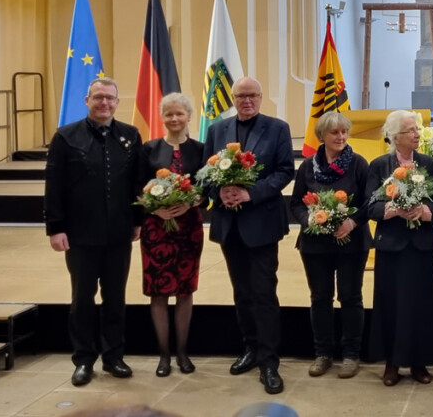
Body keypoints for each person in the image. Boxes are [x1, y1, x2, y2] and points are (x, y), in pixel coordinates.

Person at [44, 77, 142, 386]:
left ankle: (114, 357)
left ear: (117, 102)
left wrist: (137, 220)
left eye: (109, 98)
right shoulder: (65, 137)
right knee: (82, 299)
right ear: (87, 101)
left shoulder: (130, 136)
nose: (103, 103)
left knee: (115, 298)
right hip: (80, 235)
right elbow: (53, 187)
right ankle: (83, 359)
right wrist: (55, 228)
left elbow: (137, 183)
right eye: (97, 97)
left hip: (119, 234)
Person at [202, 77, 295, 395]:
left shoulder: (278, 127)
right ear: (233, 97)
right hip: (229, 224)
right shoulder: (217, 130)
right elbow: (206, 172)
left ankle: (270, 361)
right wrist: (222, 191)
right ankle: (250, 349)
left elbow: (285, 171)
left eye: (252, 95)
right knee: (241, 292)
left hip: (262, 223)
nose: (247, 100)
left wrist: (249, 193)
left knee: (264, 293)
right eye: (241, 95)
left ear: (260, 97)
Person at [366, 110, 433, 387]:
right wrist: (395, 209)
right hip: (391, 246)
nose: (417, 135)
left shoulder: (429, 164)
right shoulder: (379, 166)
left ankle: (420, 362)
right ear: (396, 137)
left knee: (422, 304)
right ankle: (391, 362)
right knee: (392, 304)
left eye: (417, 130)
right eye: (411, 131)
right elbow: (369, 206)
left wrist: (424, 210)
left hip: (422, 244)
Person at [289, 112, 371, 380]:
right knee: (320, 298)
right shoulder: (308, 166)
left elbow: (369, 202)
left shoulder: (358, 163)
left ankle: (350, 355)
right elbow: (297, 203)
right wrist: (309, 219)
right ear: (321, 136)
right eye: (335, 132)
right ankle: (322, 353)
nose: (341, 137)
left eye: (344, 132)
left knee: (350, 297)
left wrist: (351, 223)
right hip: (315, 245)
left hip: (351, 243)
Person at [136, 93, 205, 378]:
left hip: (189, 227)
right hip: (156, 229)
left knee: (185, 291)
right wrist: (153, 208)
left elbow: (206, 187)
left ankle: (183, 353)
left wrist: (192, 201)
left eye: (179, 114)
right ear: (162, 118)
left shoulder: (201, 150)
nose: (174, 119)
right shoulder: (148, 149)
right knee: (159, 292)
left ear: (189, 116)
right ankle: (164, 355)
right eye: (169, 114)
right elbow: (138, 187)